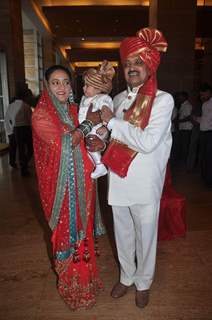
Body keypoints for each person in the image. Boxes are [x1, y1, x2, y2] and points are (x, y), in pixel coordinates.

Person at [100, 27, 174, 308]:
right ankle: (126, 276)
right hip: (118, 179)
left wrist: (112, 124)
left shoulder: (163, 100)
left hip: (144, 183)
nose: (132, 68)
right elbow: (113, 137)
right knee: (123, 233)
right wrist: (101, 140)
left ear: (150, 65)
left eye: (138, 62)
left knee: (145, 236)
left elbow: (147, 142)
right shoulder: (118, 100)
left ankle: (144, 282)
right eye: (128, 63)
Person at [32, 65, 105, 310]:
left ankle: (88, 281)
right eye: (55, 83)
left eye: (65, 82)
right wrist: (87, 124)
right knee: (68, 234)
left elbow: (93, 133)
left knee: (84, 232)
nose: (62, 87)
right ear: (47, 85)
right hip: (63, 192)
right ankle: (72, 287)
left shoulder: (76, 109)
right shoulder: (41, 114)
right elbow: (64, 145)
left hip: (85, 186)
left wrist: (97, 135)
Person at [79, 61, 115, 179]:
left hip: (96, 129)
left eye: (87, 86)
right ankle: (95, 162)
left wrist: (105, 126)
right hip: (86, 128)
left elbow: (107, 112)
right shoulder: (85, 98)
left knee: (92, 143)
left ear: (98, 89)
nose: (84, 88)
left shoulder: (101, 98)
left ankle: (100, 166)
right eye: (84, 85)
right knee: (88, 146)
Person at [4, 92, 33, 175]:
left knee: (18, 148)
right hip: (25, 128)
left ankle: (16, 164)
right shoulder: (26, 106)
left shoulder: (11, 106)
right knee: (28, 148)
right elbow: (30, 120)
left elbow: (7, 119)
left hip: (14, 128)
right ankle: (24, 166)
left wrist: (10, 131)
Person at [198, 83, 212, 187]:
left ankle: (209, 180)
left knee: (209, 157)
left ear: (209, 92)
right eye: (200, 95)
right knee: (203, 156)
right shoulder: (204, 104)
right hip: (203, 133)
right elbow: (205, 120)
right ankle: (204, 178)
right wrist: (196, 119)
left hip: (210, 134)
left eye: (203, 94)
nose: (201, 97)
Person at [177, 91, 193, 166]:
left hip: (187, 129)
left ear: (185, 97)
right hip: (183, 128)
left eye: (180, 96)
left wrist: (178, 121)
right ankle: (183, 162)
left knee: (185, 146)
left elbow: (189, 117)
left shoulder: (188, 105)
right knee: (182, 146)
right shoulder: (182, 105)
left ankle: (185, 163)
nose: (179, 98)